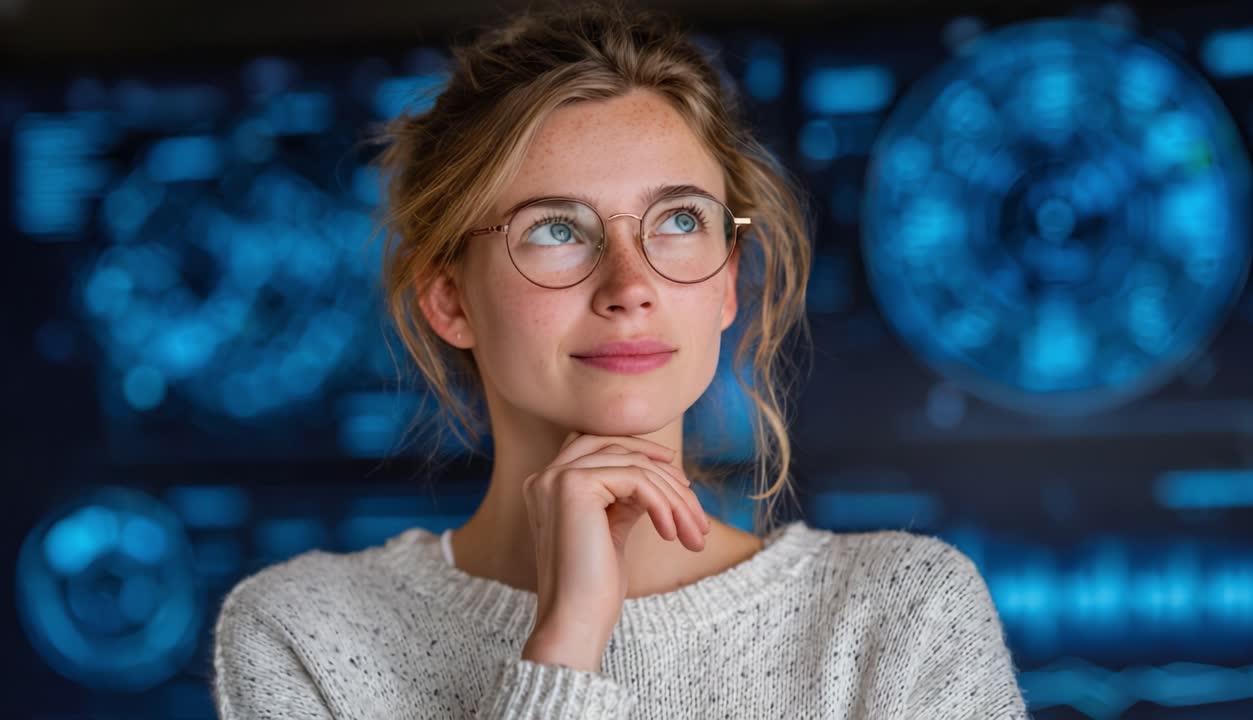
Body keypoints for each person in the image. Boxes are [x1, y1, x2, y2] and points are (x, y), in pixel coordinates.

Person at [210, 2, 1031, 718]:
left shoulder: (902, 614)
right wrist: (566, 647)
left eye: (677, 221)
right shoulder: (305, 632)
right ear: (450, 298)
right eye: (557, 230)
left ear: (727, 285)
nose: (631, 286)